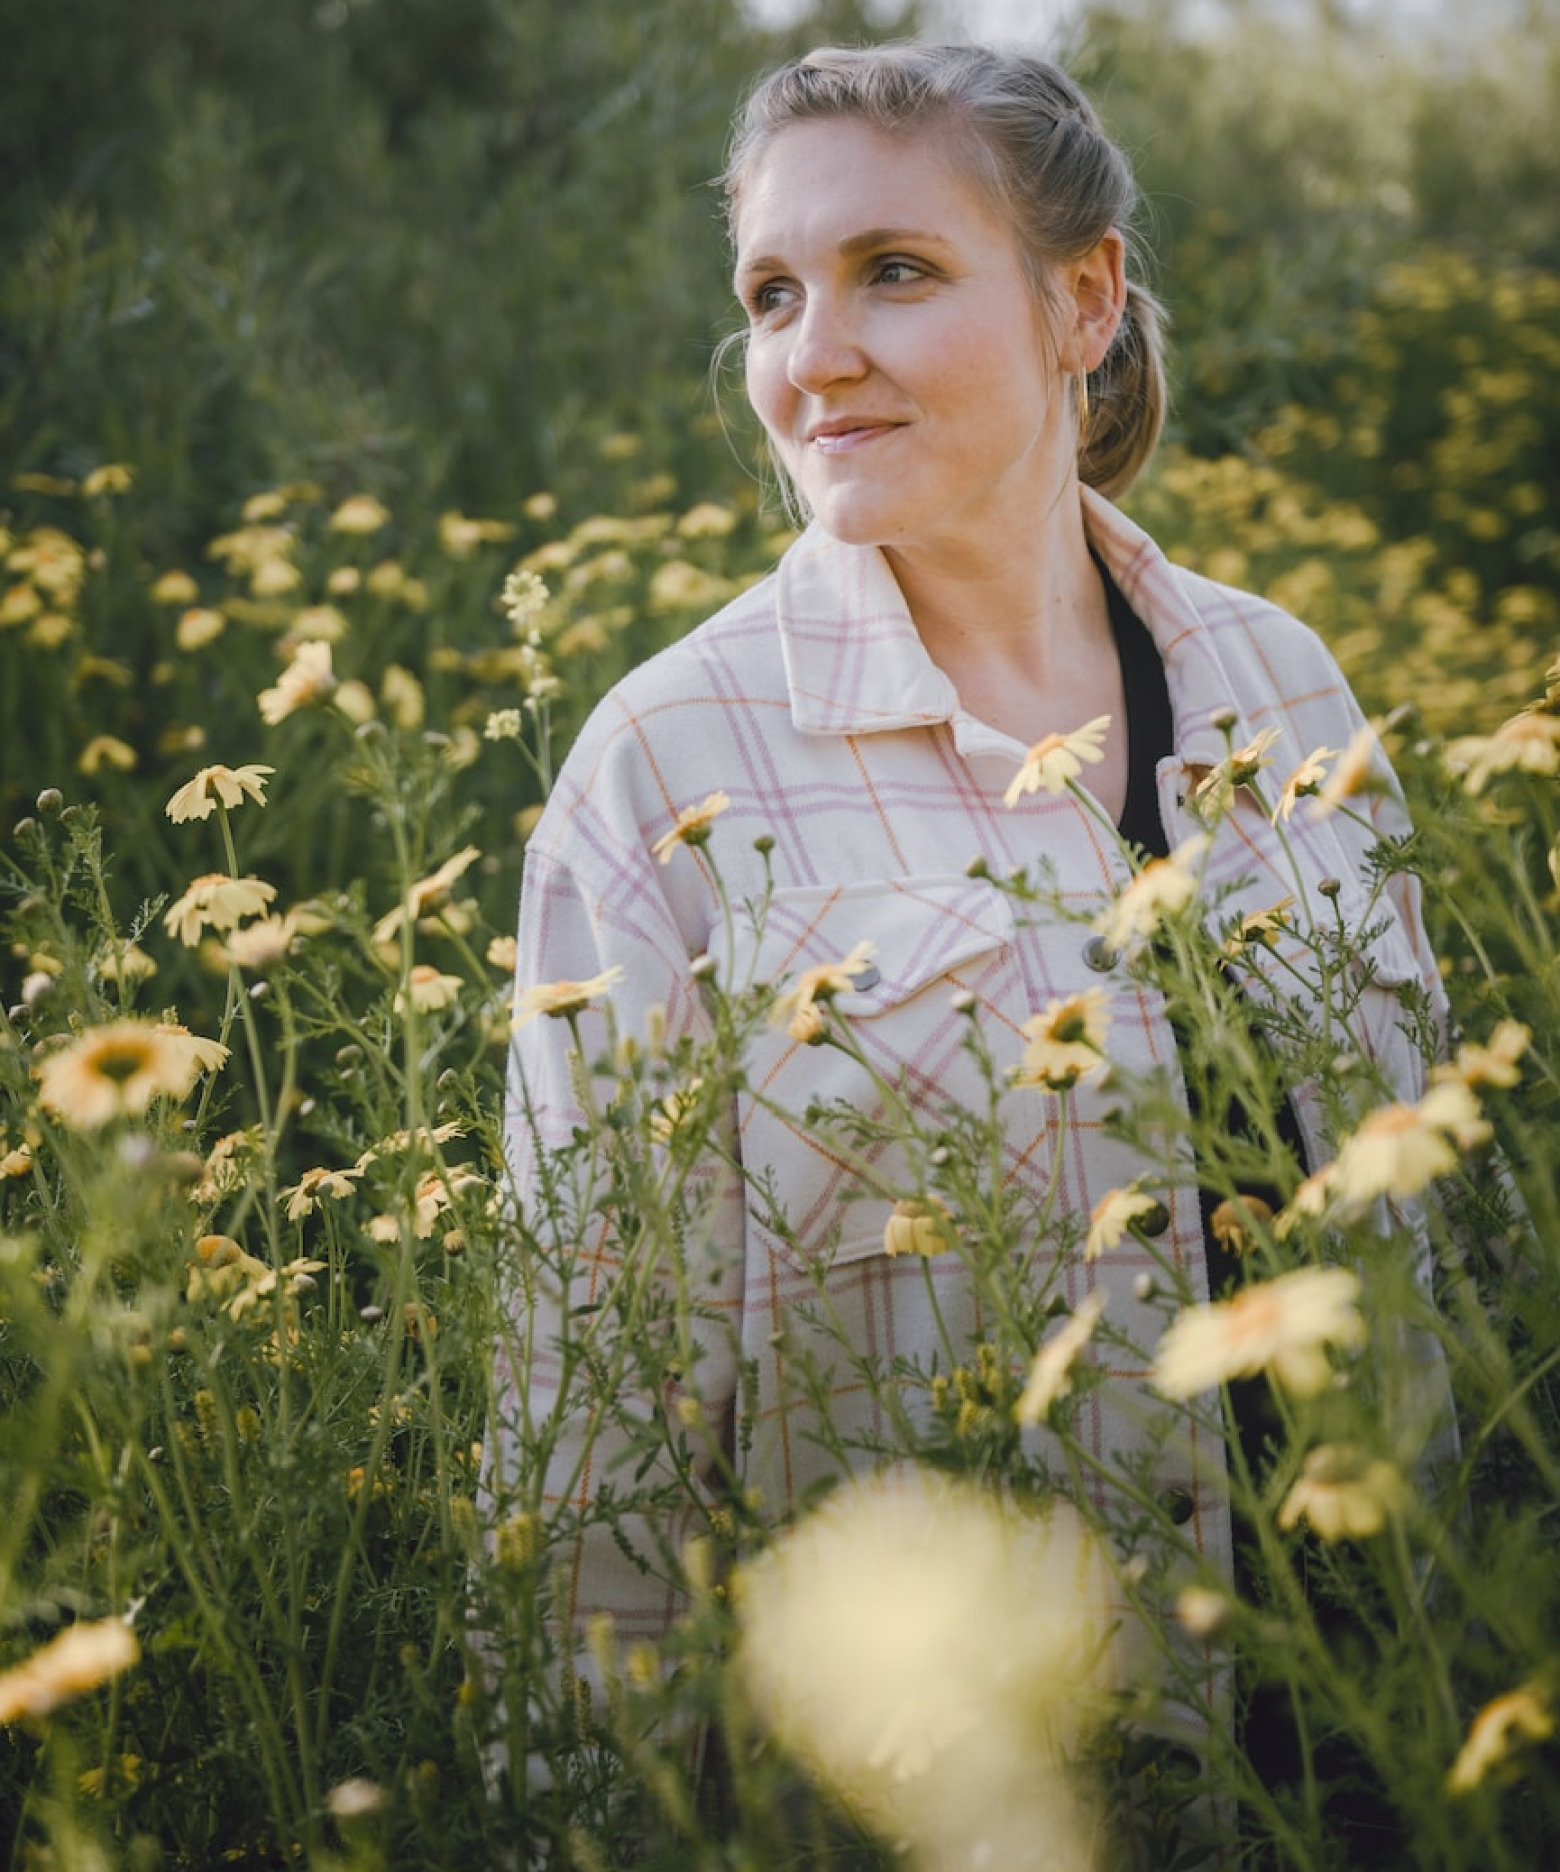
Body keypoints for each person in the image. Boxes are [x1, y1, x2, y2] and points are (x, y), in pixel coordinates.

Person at [491, 41, 1454, 1860]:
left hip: (1385, 1752)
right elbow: (584, 1423)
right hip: (947, 1803)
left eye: (896, 274)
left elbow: (1444, 1224)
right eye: (772, 294)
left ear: (1083, 300)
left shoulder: (1281, 680)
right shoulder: (670, 770)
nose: (810, 355)